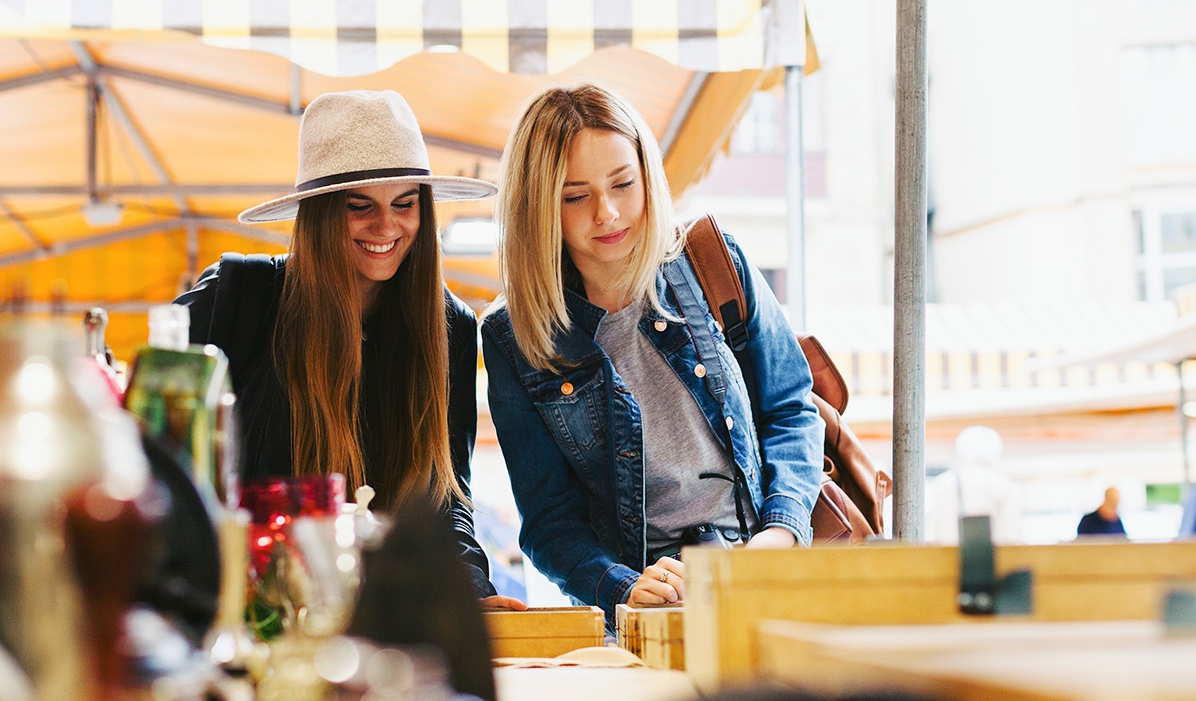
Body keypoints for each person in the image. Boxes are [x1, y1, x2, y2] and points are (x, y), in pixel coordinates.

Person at [480, 84, 823, 617]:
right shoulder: (514, 336)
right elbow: (549, 523)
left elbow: (791, 409)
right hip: (644, 613)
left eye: (623, 183)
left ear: (648, 176)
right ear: (538, 206)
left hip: (762, 578)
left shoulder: (712, 261)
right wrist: (624, 587)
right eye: (575, 197)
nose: (608, 213)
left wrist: (779, 533)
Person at [179, 90, 522, 607]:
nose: (386, 227)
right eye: (359, 206)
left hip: (381, 625)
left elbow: (446, 498)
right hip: (243, 612)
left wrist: (468, 592)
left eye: (405, 203)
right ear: (317, 214)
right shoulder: (236, 298)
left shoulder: (451, 325)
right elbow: (156, 459)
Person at [924, 425, 1023, 544]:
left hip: (946, 555)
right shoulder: (1005, 486)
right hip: (989, 555)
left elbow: (932, 537)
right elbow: (1012, 539)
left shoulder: (943, 484)